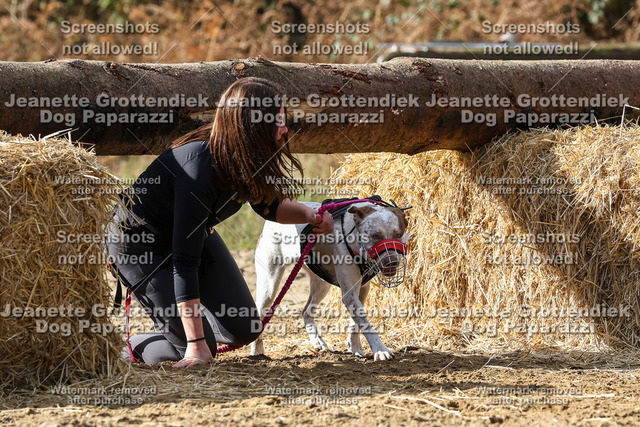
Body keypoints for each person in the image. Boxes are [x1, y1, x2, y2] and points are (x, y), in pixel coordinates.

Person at [106, 77, 333, 368]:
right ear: (254, 125)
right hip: (139, 246)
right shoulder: (198, 167)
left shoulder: (242, 153)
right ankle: (127, 346)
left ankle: (180, 326)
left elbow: (268, 205)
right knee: (194, 348)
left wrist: (310, 215)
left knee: (245, 329)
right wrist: (196, 345)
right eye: (278, 120)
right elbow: (184, 262)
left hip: (188, 237)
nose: (285, 128)